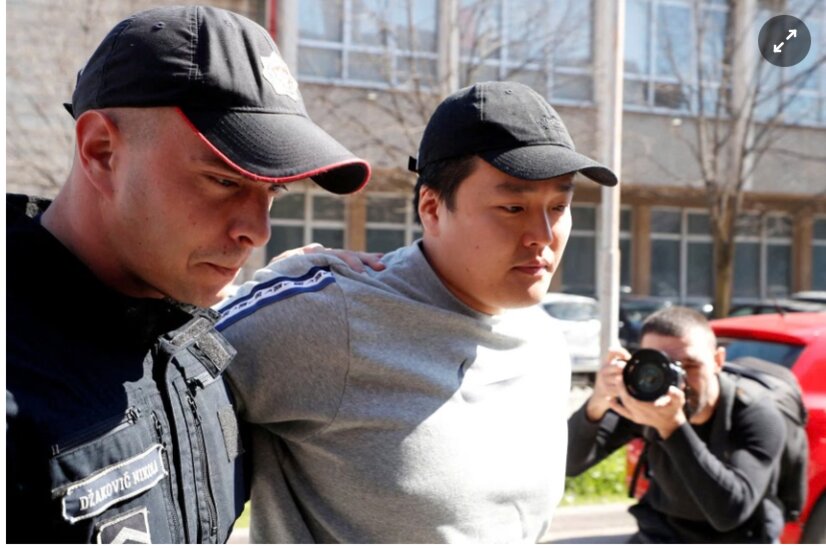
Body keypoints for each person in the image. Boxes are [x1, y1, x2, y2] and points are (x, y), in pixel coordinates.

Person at [6, 5, 372, 543]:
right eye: (224, 181)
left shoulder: (195, 338)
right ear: (101, 151)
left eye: (272, 191)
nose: (258, 231)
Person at [218, 81, 618, 543]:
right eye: (513, 207)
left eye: (559, 206)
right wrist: (265, 289)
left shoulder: (545, 341)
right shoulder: (329, 318)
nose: (543, 235)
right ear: (432, 207)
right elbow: (163, 369)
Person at [566, 306, 787, 543]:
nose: (677, 382)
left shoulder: (755, 413)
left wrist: (672, 428)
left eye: (689, 366)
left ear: (717, 361)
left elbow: (730, 512)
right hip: (663, 532)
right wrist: (597, 404)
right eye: (660, 367)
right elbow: (568, 464)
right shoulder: (648, 397)